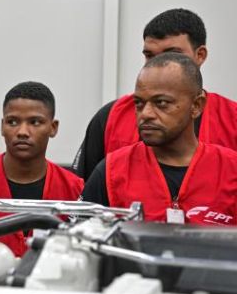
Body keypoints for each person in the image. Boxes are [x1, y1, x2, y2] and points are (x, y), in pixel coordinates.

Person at [73, 8, 237, 179]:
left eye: (172, 54)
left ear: (200, 55)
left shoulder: (232, 120)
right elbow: (83, 192)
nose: (159, 64)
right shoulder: (111, 117)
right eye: (149, 56)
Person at [81, 52, 237, 225]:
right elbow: (79, 244)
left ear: (196, 105)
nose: (146, 114)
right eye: (139, 103)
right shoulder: (111, 172)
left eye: (161, 103)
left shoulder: (231, 170)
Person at [0, 81, 83, 256]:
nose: (22, 131)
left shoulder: (75, 190)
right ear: (2, 126)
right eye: (12, 122)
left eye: (35, 122)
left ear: (53, 128)